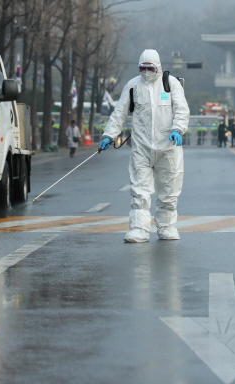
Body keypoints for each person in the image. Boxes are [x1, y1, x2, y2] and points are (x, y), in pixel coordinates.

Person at [98, 49, 190, 243]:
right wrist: (109, 135)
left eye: (150, 68)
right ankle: (139, 229)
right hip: (141, 146)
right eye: (143, 68)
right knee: (139, 189)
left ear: (158, 66)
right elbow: (119, 112)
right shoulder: (133, 86)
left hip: (168, 147)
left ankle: (166, 226)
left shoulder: (170, 84)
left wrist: (177, 129)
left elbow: (181, 109)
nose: (146, 72)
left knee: (169, 189)